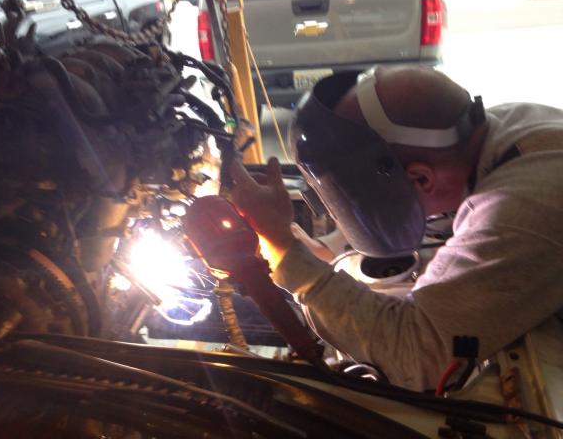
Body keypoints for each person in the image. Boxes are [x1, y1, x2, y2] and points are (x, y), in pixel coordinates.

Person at [229, 65, 563, 391]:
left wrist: (286, 254)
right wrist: (327, 248)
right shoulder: (502, 127)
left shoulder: (519, 210)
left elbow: (416, 355)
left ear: (421, 178)